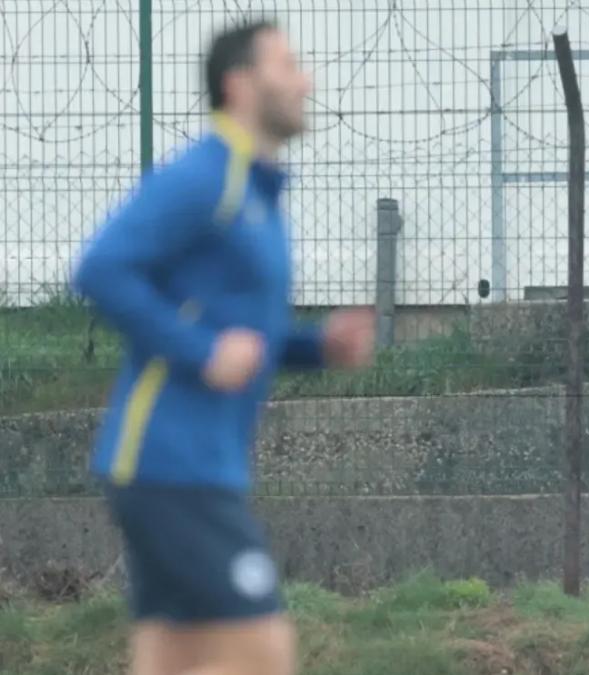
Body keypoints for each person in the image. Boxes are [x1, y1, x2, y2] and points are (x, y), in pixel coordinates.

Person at [72, 20, 373, 675]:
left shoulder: (256, 193)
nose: (306, 81)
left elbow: (244, 335)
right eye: (289, 66)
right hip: (169, 463)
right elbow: (100, 267)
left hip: (192, 467)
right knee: (263, 654)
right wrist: (200, 350)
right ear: (240, 84)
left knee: (172, 660)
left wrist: (317, 347)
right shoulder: (209, 176)